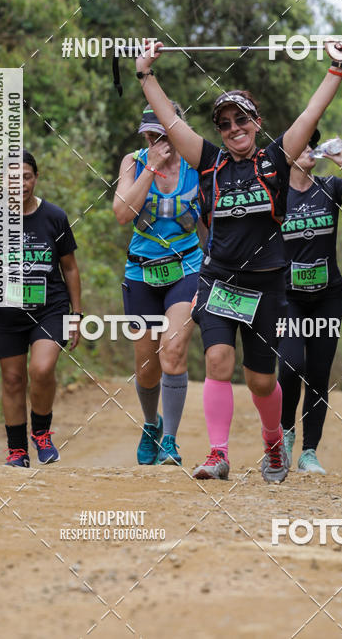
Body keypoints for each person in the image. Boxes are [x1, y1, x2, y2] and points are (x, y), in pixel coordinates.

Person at [134, 39, 342, 483]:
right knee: (217, 360)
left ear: (256, 123)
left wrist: (336, 66)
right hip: (218, 280)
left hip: (267, 287)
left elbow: (311, 115)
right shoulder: (210, 162)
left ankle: (274, 441)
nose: (234, 128)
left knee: (260, 382)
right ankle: (218, 454)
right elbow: (172, 123)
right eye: (225, 123)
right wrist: (145, 74)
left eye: (241, 120)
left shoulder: (275, 159)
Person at [279, 133, 342, 473]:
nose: (309, 148)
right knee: (291, 366)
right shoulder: (275, 192)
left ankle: (309, 452)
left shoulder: (331, 187)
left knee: (319, 374)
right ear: (288, 153)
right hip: (288, 298)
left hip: (327, 298)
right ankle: (286, 432)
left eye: (313, 143)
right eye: (303, 144)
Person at [0, 150, 82, 467]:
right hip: (6, 313)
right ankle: (17, 450)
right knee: (12, 379)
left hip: (51, 306)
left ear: (35, 178)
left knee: (42, 368)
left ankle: (42, 432)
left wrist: (76, 315)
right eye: (12, 177)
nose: (20, 183)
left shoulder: (54, 217)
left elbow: (71, 268)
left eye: (26, 176)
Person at [113, 102, 203, 466]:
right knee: (147, 365)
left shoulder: (196, 164)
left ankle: (171, 441)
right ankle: (152, 424)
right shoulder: (133, 162)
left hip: (186, 269)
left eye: (163, 134)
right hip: (142, 273)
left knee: (174, 349)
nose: (156, 140)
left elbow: (213, 220)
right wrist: (150, 167)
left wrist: (213, 270)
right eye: (150, 135)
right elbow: (122, 214)